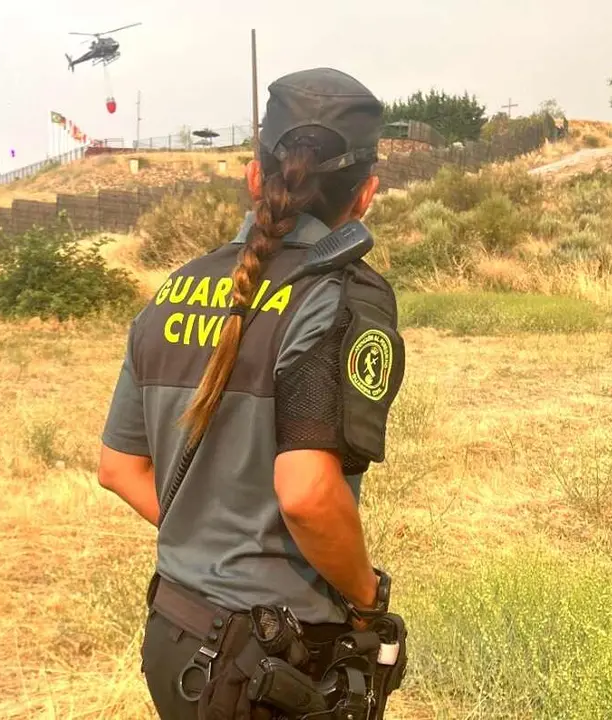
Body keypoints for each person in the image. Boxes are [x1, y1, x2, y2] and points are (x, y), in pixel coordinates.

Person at [97, 67, 407, 719]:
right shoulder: (340, 295)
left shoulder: (173, 288)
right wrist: (367, 599)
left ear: (253, 175)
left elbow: (119, 468)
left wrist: (209, 539)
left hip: (174, 637)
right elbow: (308, 494)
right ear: (367, 193)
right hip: (273, 664)